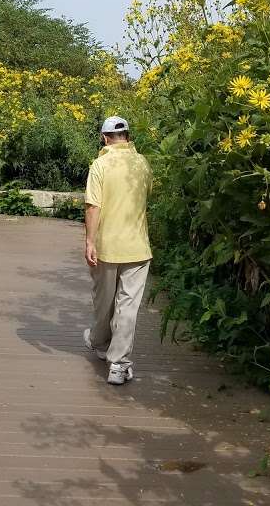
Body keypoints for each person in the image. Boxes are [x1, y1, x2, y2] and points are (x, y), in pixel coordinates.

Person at [82, 115, 153, 385]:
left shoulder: (100, 165)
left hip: (106, 246)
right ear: (128, 135)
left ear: (104, 138)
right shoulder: (143, 163)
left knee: (103, 300)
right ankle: (119, 365)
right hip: (137, 246)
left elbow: (93, 205)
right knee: (128, 306)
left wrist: (90, 241)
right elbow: (146, 197)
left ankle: (99, 344)